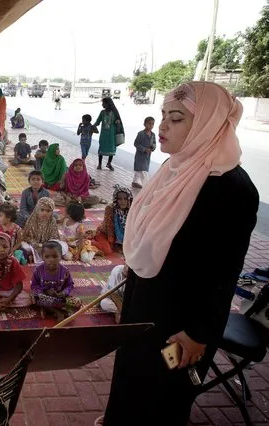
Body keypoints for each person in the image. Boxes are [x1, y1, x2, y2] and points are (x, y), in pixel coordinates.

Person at [98, 83, 260, 425]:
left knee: (161, 393)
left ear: (208, 125)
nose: (162, 127)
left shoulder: (231, 189)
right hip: (145, 306)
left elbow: (224, 273)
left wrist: (200, 333)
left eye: (176, 118)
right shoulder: (176, 170)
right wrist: (137, 269)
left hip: (180, 329)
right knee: (130, 380)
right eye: (162, 116)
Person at [31, 240, 82, 320]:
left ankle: (48, 308)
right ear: (42, 257)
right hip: (44, 296)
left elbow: (70, 285)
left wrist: (63, 293)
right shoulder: (38, 270)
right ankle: (57, 311)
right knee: (34, 297)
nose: (51, 259)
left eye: (55, 256)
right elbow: (34, 285)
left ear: (61, 256)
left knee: (78, 302)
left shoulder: (65, 271)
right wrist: (44, 291)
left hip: (59, 297)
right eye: (47, 257)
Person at [94, 185, 132, 255]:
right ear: (116, 199)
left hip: (124, 237)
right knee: (107, 251)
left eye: (125, 199)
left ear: (129, 199)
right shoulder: (110, 209)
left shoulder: (132, 209)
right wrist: (112, 242)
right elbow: (109, 228)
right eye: (119, 199)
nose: (122, 201)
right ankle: (90, 242)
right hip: (106, 234)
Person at [20, 197, 60, 264]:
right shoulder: (32, 220)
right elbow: (26, 236)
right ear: (37, 210)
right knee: (24, 246)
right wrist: (36, 245)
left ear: (52, 211)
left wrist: (45, 245)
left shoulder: (52, 221)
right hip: (33, 245)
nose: (45, 213)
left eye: (48, 211)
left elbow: (54, 237)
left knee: (61, 245)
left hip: (47, 245)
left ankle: (36, 256)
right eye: (42, 210)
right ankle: (38, 255)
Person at [93, 97, 123, 171]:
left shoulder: (114, 113)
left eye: (104, 103)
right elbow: (98, 121)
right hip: (104, 135)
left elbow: (118, 122)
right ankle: (99, 164)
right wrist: (92, 126)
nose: (102, 105)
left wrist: (118, 122)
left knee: (111, 149)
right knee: (101, 148)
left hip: (112, 134)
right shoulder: (102, 113)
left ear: (108, 104)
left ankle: (109, 163)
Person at [132, 116, 157, 188]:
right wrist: (144, 149)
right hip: (140, 155)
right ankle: (146, 186)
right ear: (145, 124)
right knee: (142, 170)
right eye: (149, 124)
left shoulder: (153, 135)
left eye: (152, 124)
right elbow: (136, 143)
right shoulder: (141, 134)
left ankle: (135, 181)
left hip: (147, 155)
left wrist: (153, 147)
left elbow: (154, 143)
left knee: (143, 169)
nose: (151, 125)